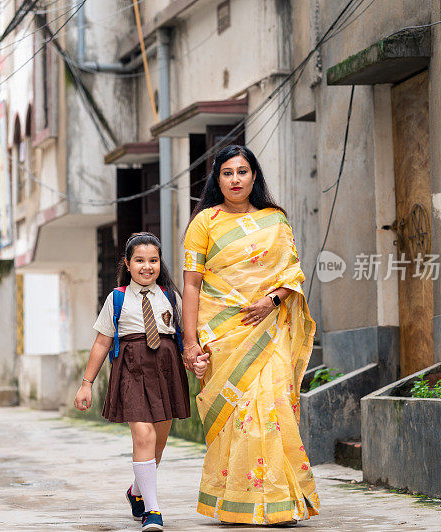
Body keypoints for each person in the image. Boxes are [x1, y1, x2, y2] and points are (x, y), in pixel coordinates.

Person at [182, 145, 319, 526]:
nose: (236, 179)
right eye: (227, 173)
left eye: (242, 172)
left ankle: (281, 502)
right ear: (217, 179)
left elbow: (292, 275)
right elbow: (191, 286)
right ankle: (234, 503)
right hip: (223, 335)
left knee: (274, 408)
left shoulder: (276, 221)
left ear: (254, 176)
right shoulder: (204, 223)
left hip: (269, 330)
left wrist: (270, 301)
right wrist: (190, 343)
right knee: (237, 414)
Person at [74, 232, 191, 532]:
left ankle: (136, 491)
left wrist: (197, 359)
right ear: (128, 264)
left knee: (158, 444)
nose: (147, 266)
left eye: (153, 260)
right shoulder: (117, 298)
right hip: (131, 370)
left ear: (159, 263)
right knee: (144, 438)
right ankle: (152, 511)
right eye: (139, 260)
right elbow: (101, 343)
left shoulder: (170, 296)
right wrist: (86, 383)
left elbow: (188, 337)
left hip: (165, 371)